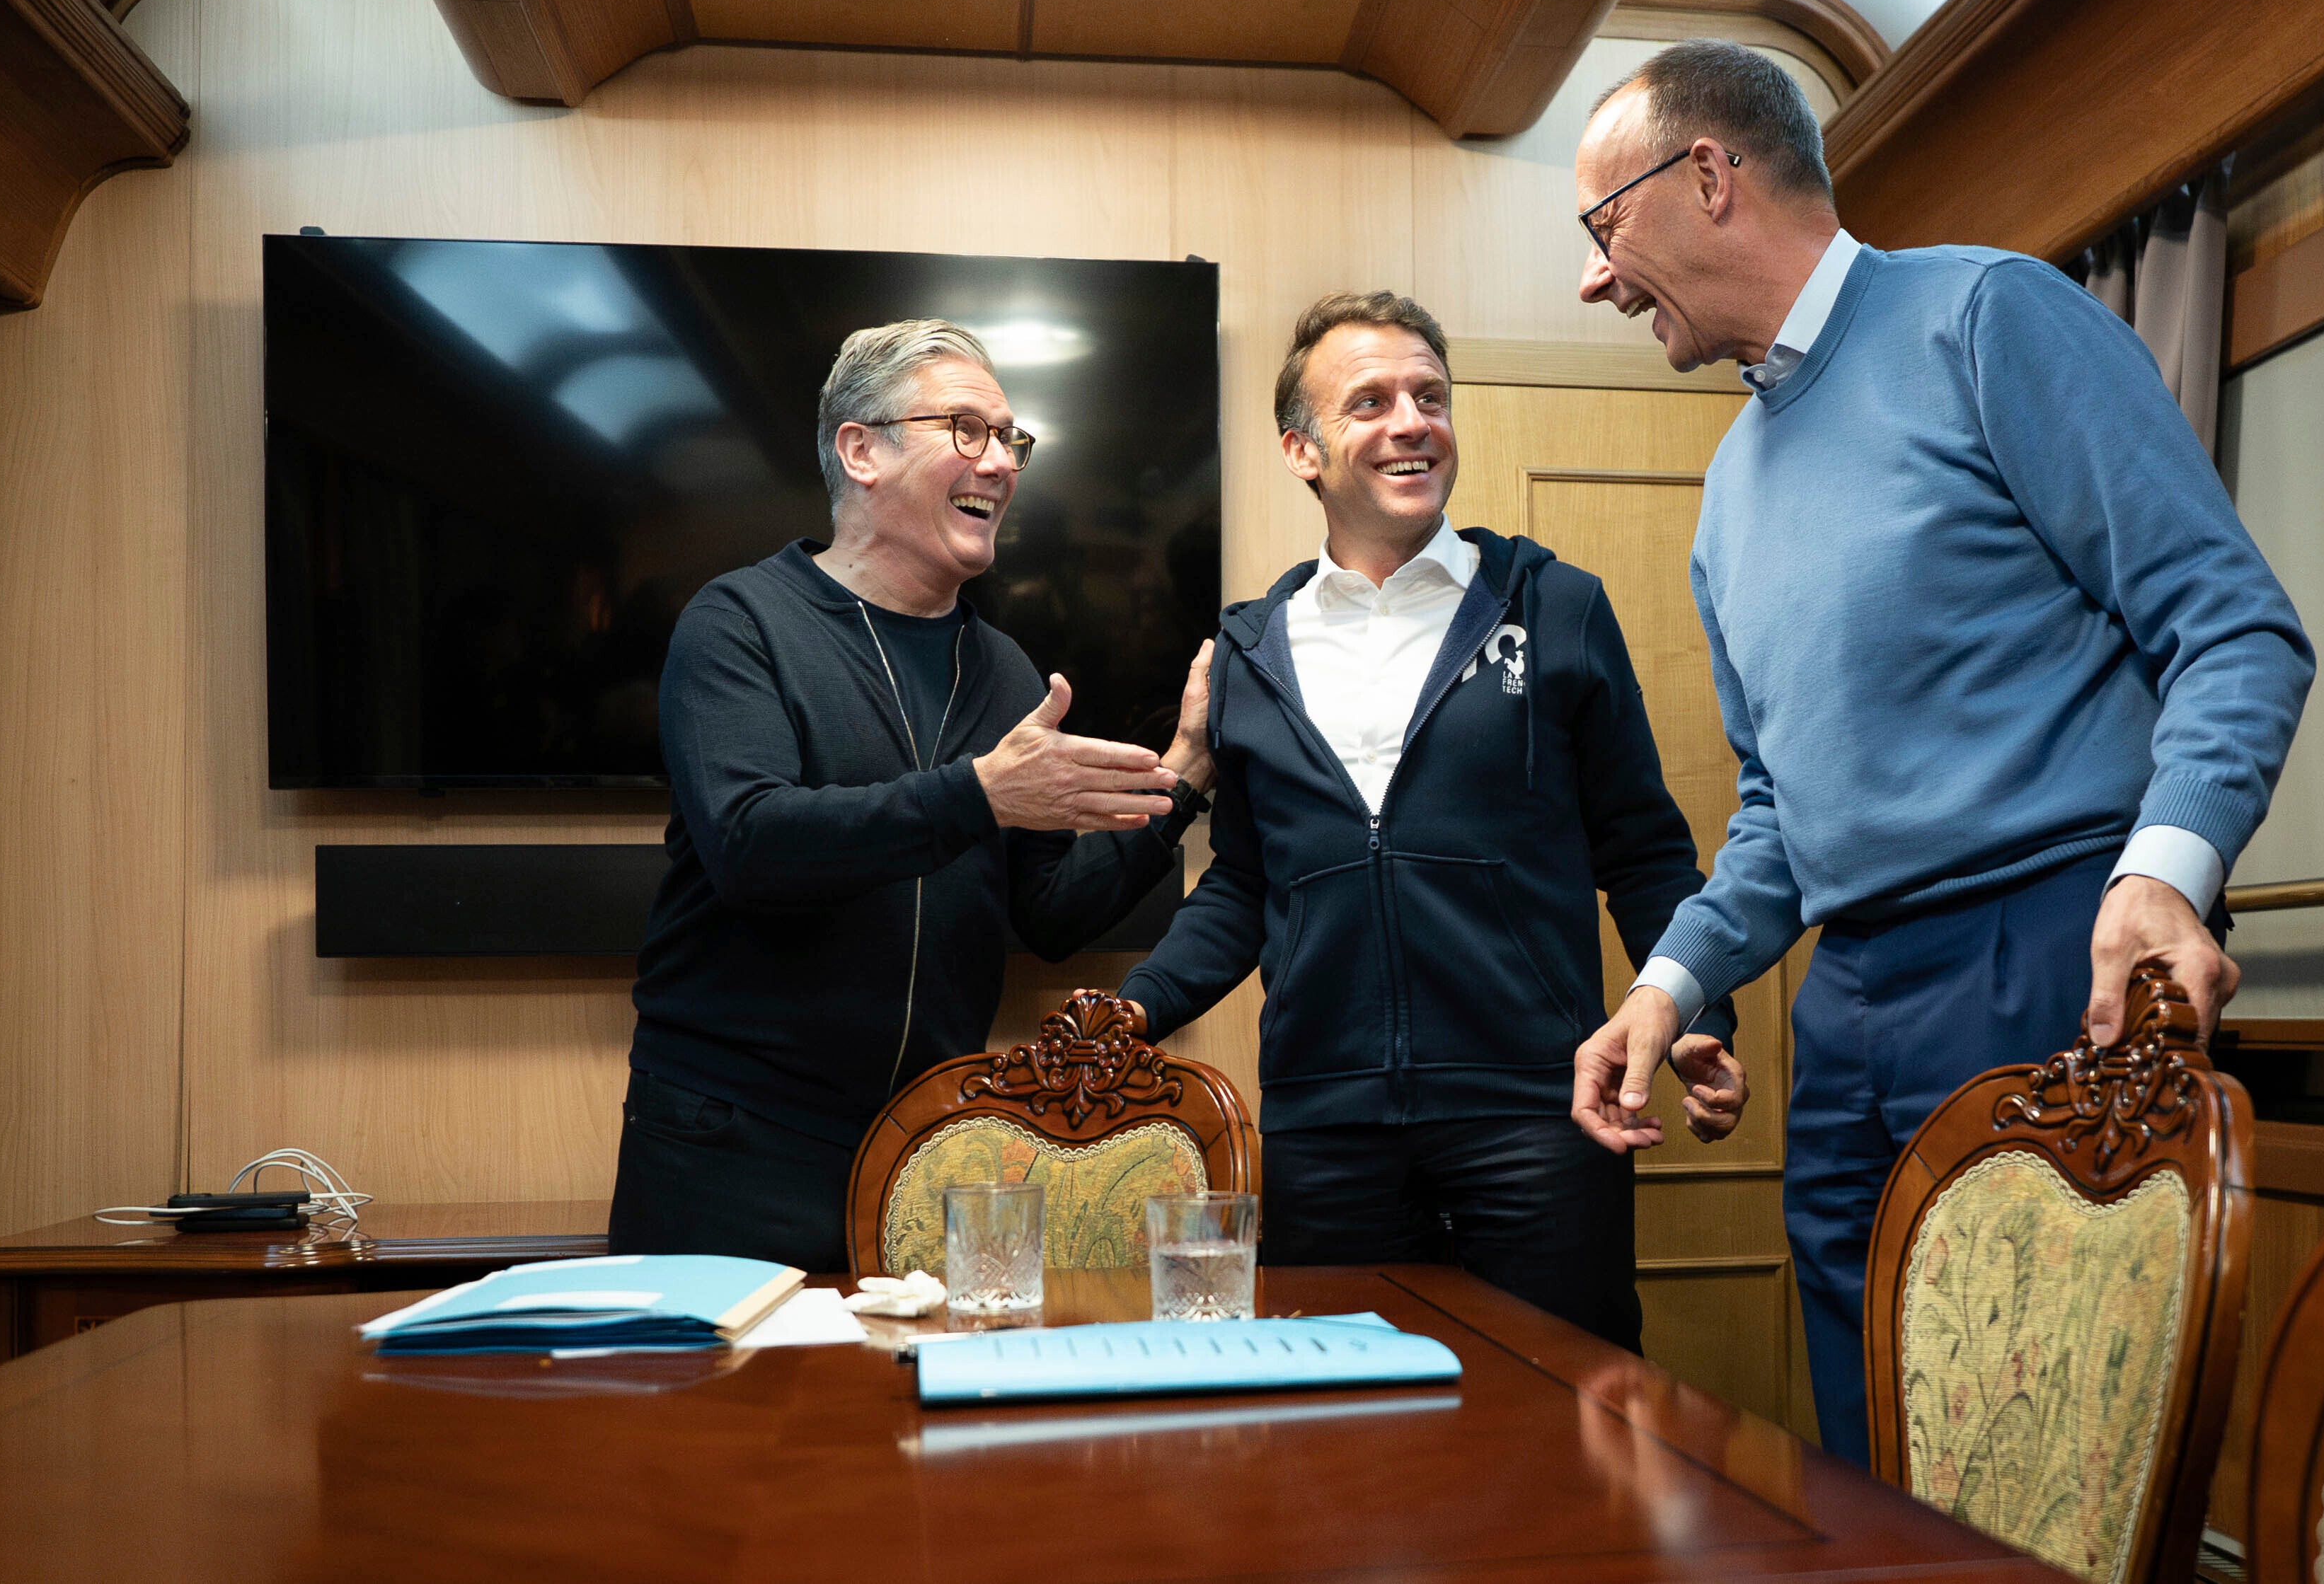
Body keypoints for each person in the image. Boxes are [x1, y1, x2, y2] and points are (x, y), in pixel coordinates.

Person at [1563, 42, 2315, 1460]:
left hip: (2048, 951)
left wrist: (2161, 878)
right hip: (1844, 1001)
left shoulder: (1985, 317)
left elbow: (2231, 628)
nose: (1594, 278)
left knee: (2048, 1451)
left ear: (1708, 176)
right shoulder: (1727, 491)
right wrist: (1668, 986)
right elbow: (1782, 811)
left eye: (1603, 228)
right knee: (1876, 1452)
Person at [1117, 291, 1731, 1351]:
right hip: (1325, 1132)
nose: (1412, 421)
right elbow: (1248, 885)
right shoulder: (1252, 651)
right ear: (1301, 450)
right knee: (1347, 1449)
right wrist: (1133, 1011)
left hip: (1539, 1116)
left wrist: (1689, 1007)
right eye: (1371, 402)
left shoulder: (1555, 605)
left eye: (1430, 397)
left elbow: (1642, 845)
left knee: (1566, 1425)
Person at [609, 319, 1216, 1271]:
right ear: (862, 450)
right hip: (730, 1144)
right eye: (966, 429)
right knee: (720, 1423)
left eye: (1010, 438)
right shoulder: (740, 623)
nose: (1001, 464)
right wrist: (979, 794)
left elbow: (1051, 912)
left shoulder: (1005, 668)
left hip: (927, 1147)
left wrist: (1182, 775)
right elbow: (750, 845)